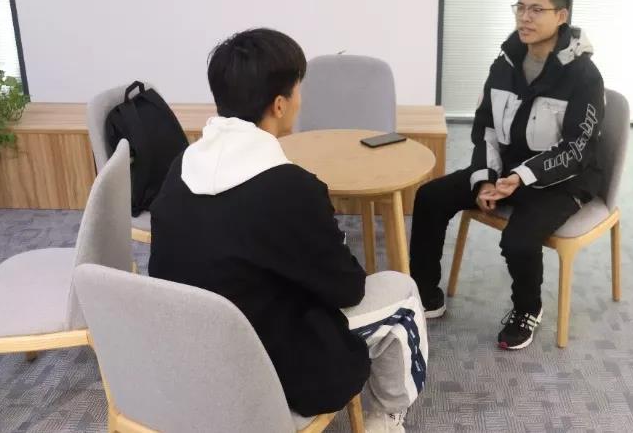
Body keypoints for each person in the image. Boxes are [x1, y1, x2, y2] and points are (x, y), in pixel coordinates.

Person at [149, 28, 427, 432]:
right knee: (402, 293)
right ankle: (386, 418)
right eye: (299, 88)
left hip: (185, 365)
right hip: (270, 379)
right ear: (279, 105)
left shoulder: (181, 166)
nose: (301, 98)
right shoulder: (292, 189)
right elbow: (348, 289)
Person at [409, 0, 605, 350]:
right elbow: (485, 125)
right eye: (520, 7)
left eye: (537, 10)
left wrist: (522, 177)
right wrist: (486, 177)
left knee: (518, 239)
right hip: (507, 169)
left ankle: (528, 309)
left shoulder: (584, 76)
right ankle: (425, 292)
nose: (525, 18)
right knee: (430, 197)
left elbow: (577, 148)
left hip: (563, 180)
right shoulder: (505, 62)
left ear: (561, 16)